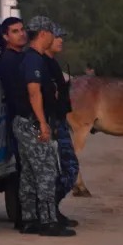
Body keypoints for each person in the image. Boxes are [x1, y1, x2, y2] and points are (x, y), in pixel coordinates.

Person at [11, 16, 76, 237]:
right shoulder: (34, 60)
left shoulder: (34, 59)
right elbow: (34, 92)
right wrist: (42, 123)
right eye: (51, 33)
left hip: (25, 122)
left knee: (29, 174)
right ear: (43, 34)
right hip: (31, 123)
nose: (54, 37)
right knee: (47, 171)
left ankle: (30, 220)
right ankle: (48, 221)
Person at [44, 25, 79, 228]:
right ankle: (50, 211)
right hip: (52, 124)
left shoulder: (52, 63)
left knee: (64, 169)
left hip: (59, 121)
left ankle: (52, 210)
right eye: (57, 37)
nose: (60, 41)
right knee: (68, 168)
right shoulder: (43, 64)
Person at [0, 17, 28, 228]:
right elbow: (18, 94)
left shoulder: (20, 57)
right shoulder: (8, 60)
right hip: (21, 118)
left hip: (24, 117)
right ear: (6, 37)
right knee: (25, 166)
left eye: (22, 29)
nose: (21, 33)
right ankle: (22, 217)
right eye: (15, 31)